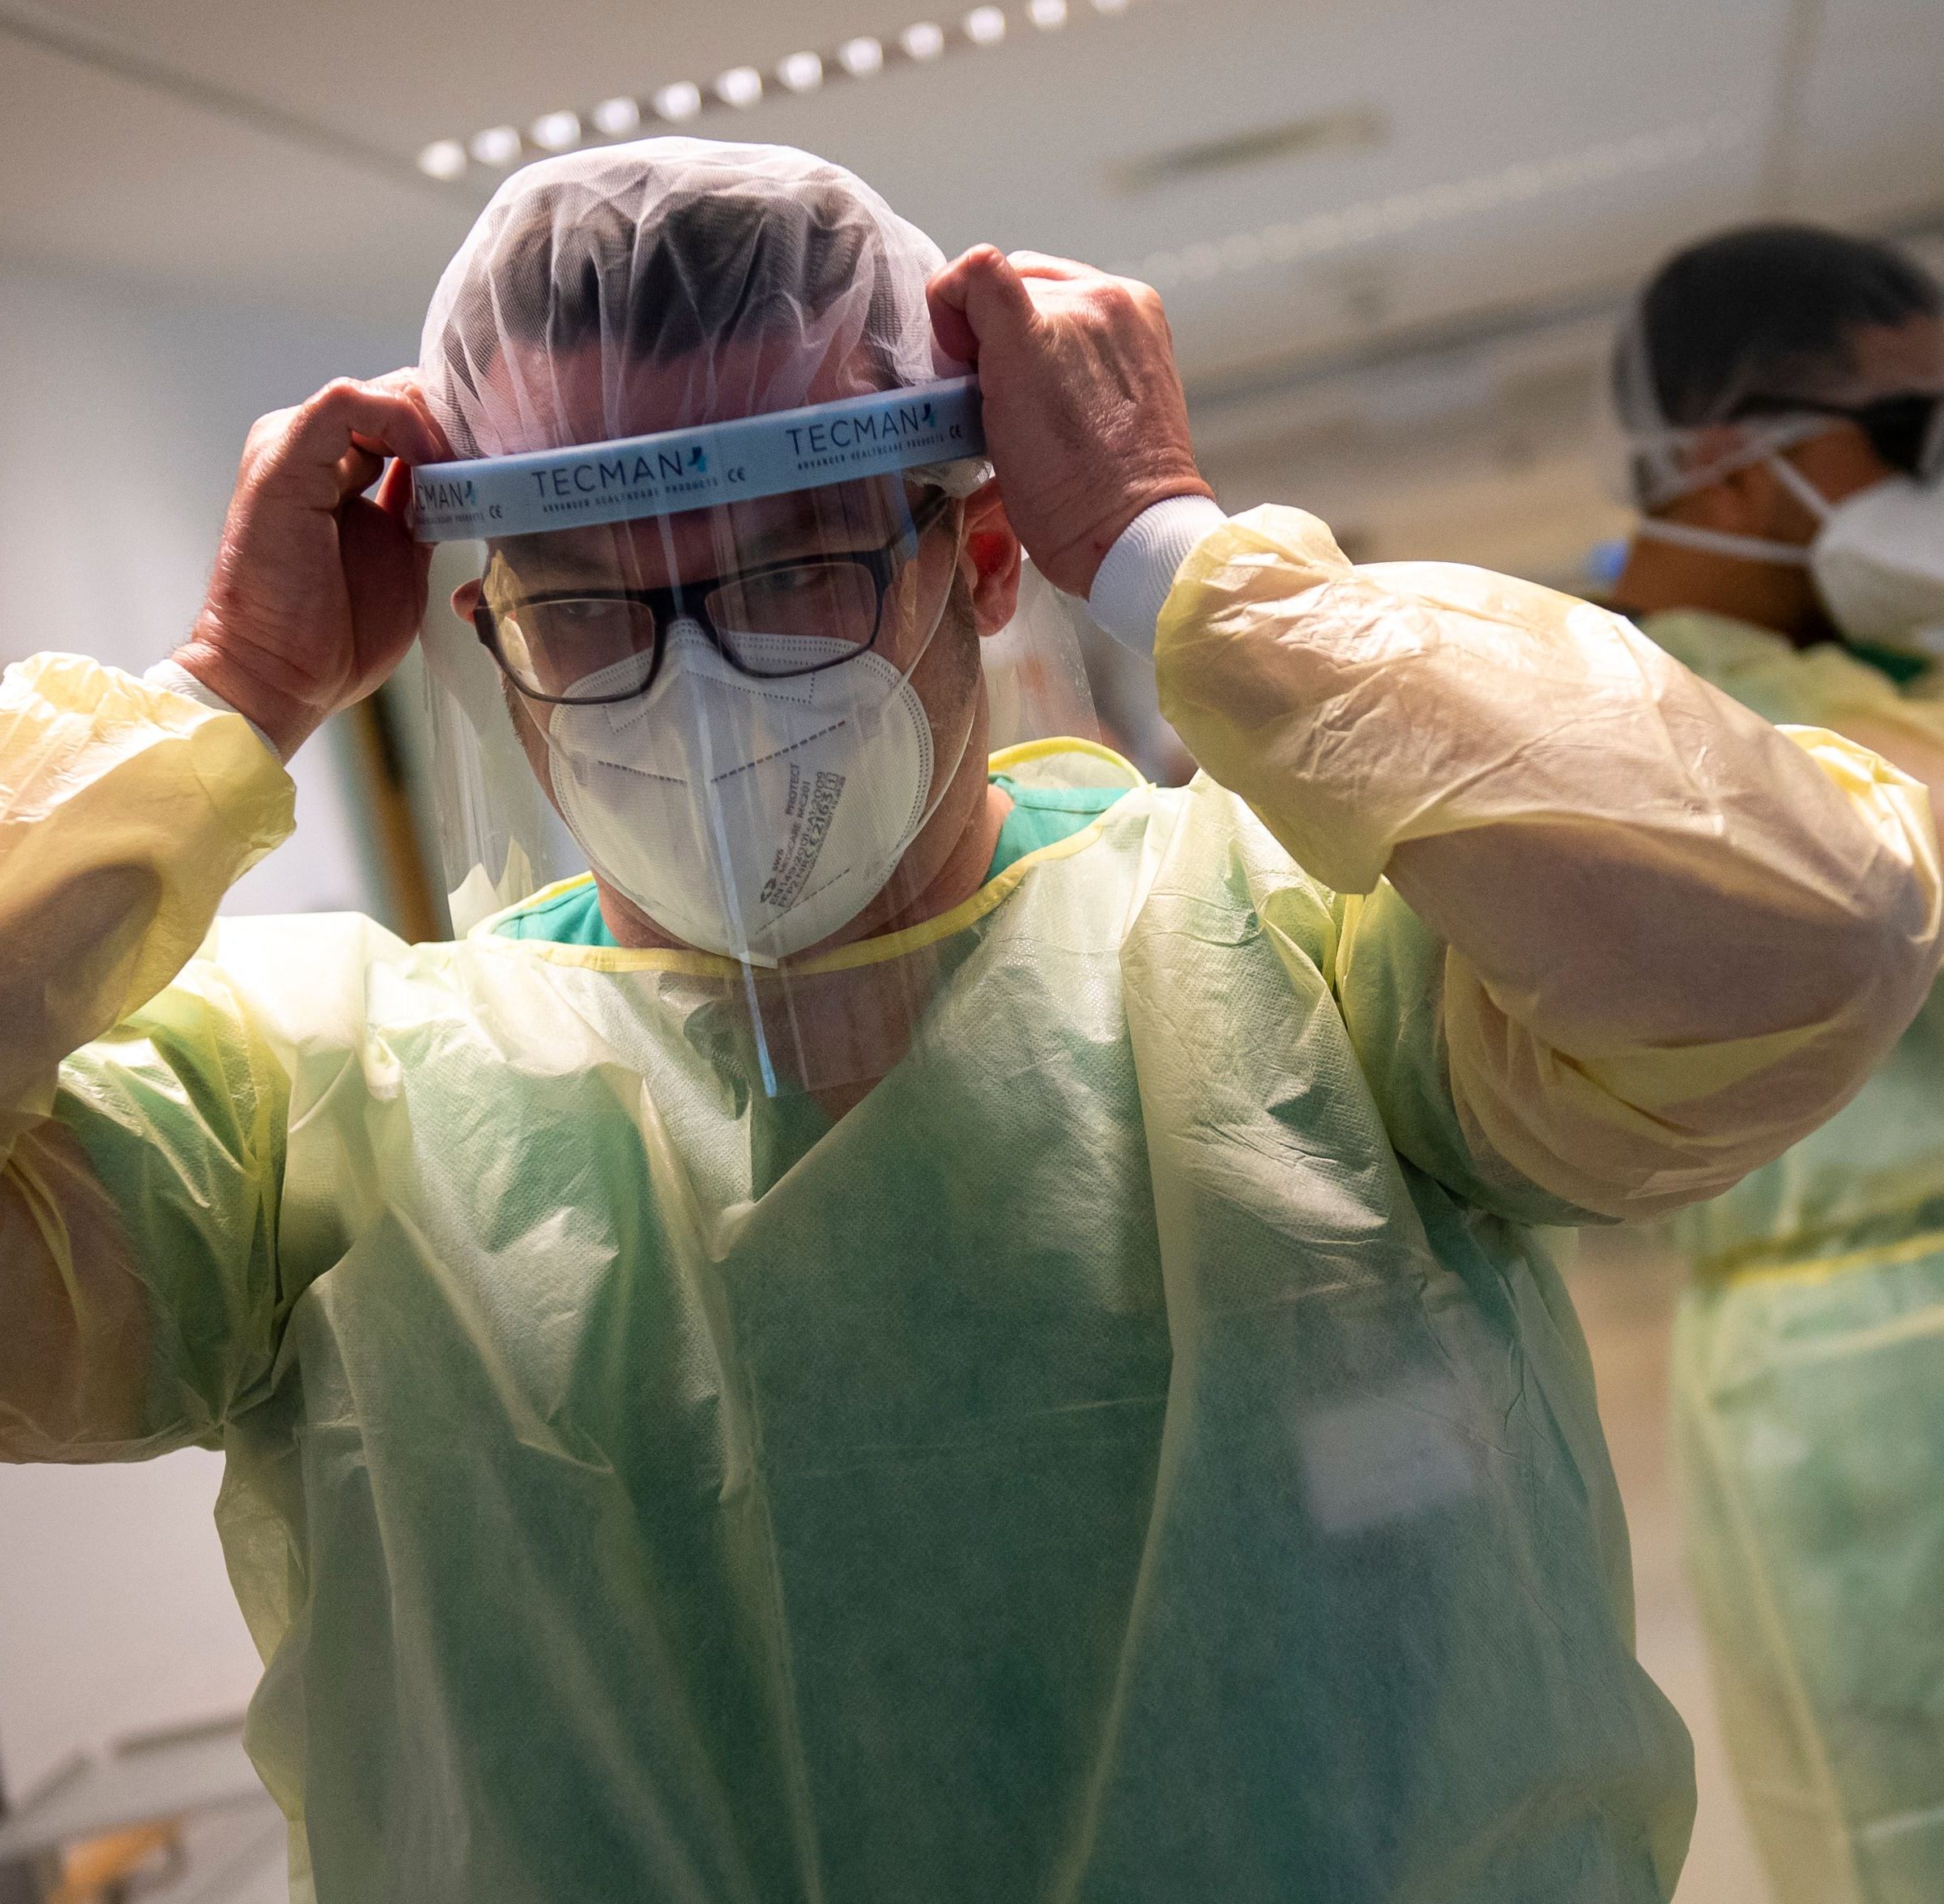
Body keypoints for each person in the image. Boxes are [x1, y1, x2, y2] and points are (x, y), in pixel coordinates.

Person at [2, 143, 1938, 1904]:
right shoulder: (304, 1121)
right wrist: (226, 692)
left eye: (798, 570)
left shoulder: (1313, 962)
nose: (703, 687)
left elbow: (1808, 946)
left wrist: (1181, 552)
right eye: (592, 608)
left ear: (985, 556)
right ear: (492, 634)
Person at [1607, 222, 1944, 1904]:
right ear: (1729, 461)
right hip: (1860, 1389)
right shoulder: (1635, 703)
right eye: (1907, 438)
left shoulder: (1873, 675)